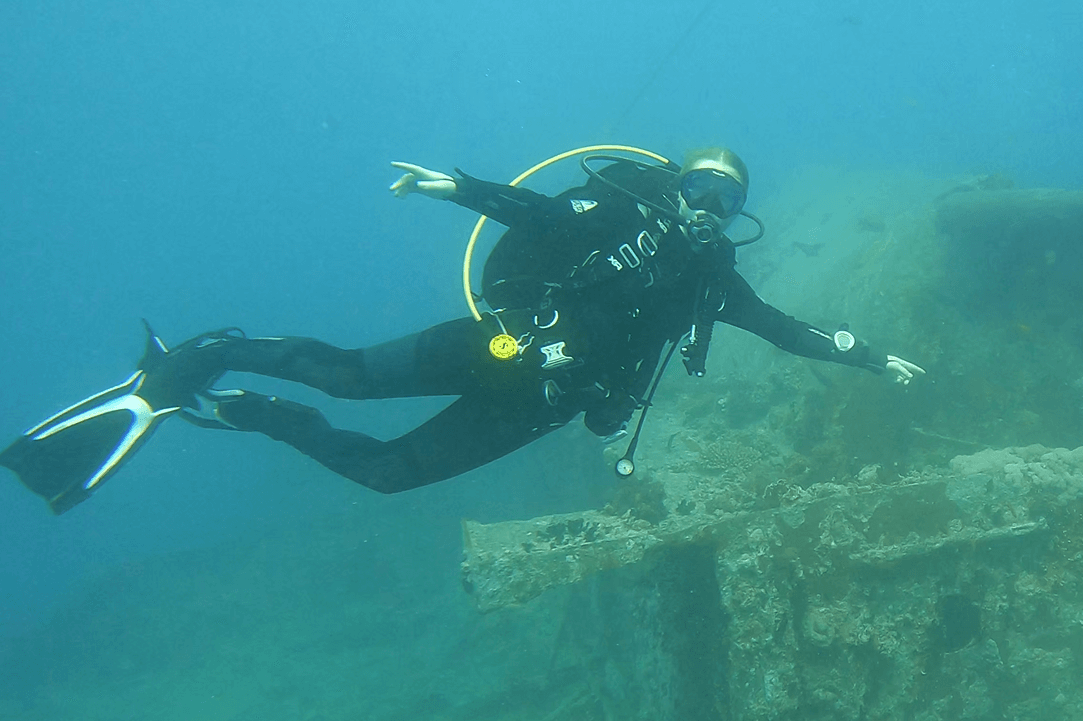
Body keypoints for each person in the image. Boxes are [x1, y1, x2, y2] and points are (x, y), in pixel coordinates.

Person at [2, 146, 924, 514]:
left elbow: (787, 329)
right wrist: (457, 188)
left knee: (385, 474)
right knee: (342, 377)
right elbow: (534, 211)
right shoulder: (607, 218)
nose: (706, 206)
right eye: (698, 186)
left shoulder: (712, 285)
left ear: (732, 216)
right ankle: (206, 354)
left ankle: (246, 411)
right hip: (492, 345)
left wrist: (871, 356)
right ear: (673, 186)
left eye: (725, 198)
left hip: (543, 407)